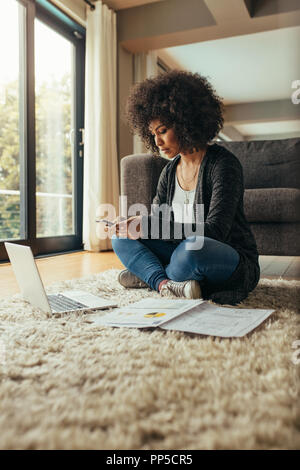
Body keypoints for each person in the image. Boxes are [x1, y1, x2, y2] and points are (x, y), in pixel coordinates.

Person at [105, 70, 260, 305]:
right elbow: (159, 223)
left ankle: (150, 274)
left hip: (222, 256)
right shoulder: (168, 171)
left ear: (186, 121)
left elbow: (215, 231)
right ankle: (165, 284)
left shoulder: (224, 165)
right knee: (120, 239)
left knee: (191, 250)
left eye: (163, 131)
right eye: (153, 134)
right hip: (178, 252)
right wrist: (136, 227)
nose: (157, 142)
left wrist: (149, 226)